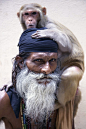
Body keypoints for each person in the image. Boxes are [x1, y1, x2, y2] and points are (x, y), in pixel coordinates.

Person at [0, 28, 80, 129]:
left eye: (52, 60)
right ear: (21, 62)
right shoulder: (3, 100)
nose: (47, 69)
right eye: (39, 60)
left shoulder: (65, 96)